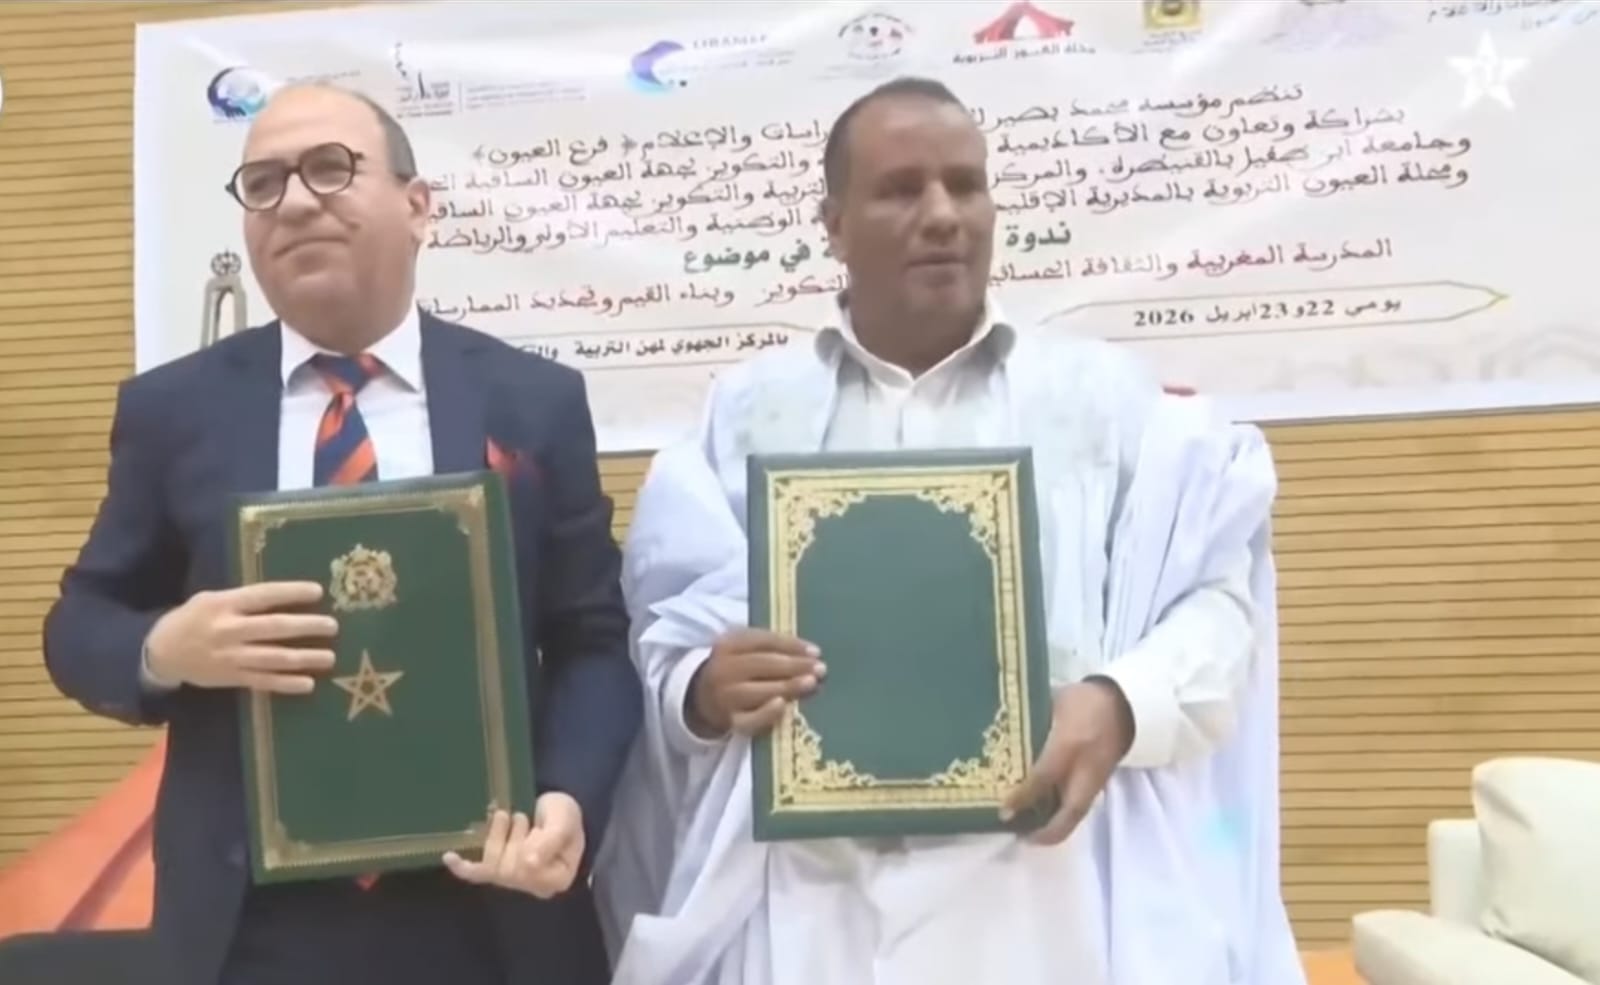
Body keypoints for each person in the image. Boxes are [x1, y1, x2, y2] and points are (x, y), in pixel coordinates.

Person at [593, 77, 1306, 985]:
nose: (942, 215)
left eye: (965, 186)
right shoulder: (745, 415)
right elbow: (666, 637)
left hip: (1047, 897)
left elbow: (1216, 609)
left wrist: (1121, 701)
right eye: (901, 190)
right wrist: (702, 689)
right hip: (809, 906)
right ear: (834, 225)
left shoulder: (1107, 404)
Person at [41, 83, 642, 985]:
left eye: (330, 168)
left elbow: (594, 638)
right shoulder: (174, 411)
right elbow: (81, 623)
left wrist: (569, 799)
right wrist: (167, 647)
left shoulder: (532, 401)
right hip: (252, 924)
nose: (294, 201)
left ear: (418, 206)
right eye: (264, 182)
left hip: (490, 906)